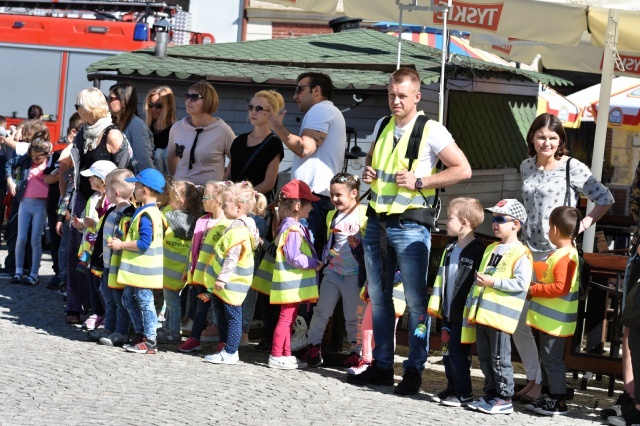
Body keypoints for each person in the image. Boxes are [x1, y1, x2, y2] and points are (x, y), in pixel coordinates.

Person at [350, 68, 472, 395]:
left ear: (417, 96)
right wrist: (368, 173)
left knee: (418, 303)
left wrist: (422, 181)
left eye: (402, 95)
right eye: (391, 94)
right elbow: (375, 168)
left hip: (411, 223)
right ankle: (382, 366)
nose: (395, 101)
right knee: (379, 297)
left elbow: (463, 169)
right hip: (377, 219)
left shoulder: (432, 130)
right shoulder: (382, 124)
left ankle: (415, 369)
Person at [518, 112, 614, 401]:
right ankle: (535, 378)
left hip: (555, 256)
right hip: (526, 251)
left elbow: (604, 198)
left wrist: (582, 225)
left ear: (560, 140)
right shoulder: (525, 166)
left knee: (546, 325)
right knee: (521, 321)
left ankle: (547, 387)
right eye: (540, 136)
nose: (546, 142)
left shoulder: (573, 167)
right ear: (532, 138)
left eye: (552, 137)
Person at [62, 88, 130, 325]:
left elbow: (123, 170)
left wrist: (115, 200)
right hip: (82, 197)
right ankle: (74, 304)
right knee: (74, 252)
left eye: (78, 105)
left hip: (106, 200)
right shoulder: (82, 132)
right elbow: (76, 171)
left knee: (98, 254)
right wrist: (69, 204)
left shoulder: (112, 134)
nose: (77, 111)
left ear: (90, 107)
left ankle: (99, 308)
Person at [225, 89, 285, 346]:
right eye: (252, 106)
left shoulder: (274, 143)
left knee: (245, 271)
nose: (254, 112)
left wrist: (243, 196)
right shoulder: (238, 141)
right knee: (222, 267)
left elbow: (269, 182)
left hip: (255, 213)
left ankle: (243, 328)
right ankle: (220, 323)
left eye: (261, 108)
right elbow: (228, 173)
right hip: (230, 209)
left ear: (271, 113)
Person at [464, 199, 533, 415]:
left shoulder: (521, 252)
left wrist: (493, 283)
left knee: (499, 358)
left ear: (516, 224)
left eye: (501, 219)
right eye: (494, 219)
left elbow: (522, 284)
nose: (495, 224)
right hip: (484, 314)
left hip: (501, 316)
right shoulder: (492, 248)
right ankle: (491, 393)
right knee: (485, 357)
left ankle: (504, 397)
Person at [267, 72, 346, 255]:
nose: (295, 96)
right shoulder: (329, 111)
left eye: (299, 90)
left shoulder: (321, 110)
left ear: (316, 90)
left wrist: (276, 125)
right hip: (316, 198)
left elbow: (304, 148)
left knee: (300, 257)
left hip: (311, 198)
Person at [299, 173, 367, 368]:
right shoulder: (332, 215)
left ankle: (356, 352)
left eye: (339, 195)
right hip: (333, 272)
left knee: (353, 316)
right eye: (332, 195)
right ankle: (313, 346)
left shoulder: (364, 214)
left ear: (354, 193)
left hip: (354, 275)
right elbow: (328, 241)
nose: (334, 199)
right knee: (322, 311)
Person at [252, 180, 322, 370]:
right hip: (291, 284)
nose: (312, 207)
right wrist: (314, 263)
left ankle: (285, 353)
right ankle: (276, 354)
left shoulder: (288, 225)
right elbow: (294, 256)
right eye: (310, 203)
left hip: (291, 284)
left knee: (288, 319)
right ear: (298, 206)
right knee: (285, 319)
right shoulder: (293, 228)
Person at [428, 197, 486, 407]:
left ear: (464, 222)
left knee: (459, 355)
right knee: (446, 352)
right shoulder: (450, 248)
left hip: (463, 313)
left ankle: (464, 392)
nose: (445, 222)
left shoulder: (478, 250)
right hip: (448, 311)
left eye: (449, 218)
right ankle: (452, 386)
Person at [198, 182, 264, 364]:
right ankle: (225, 346)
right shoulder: (245, 225)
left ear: (239, 207)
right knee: (224, 314)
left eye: (226, 205)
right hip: (230, 283)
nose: (223, 208)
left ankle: (230, 351)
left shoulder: (238, 229)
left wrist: (222, 278)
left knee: (233, 317)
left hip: (231, 282)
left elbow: (232, 256)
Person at [523, 206, 581, 416]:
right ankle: (548, 397)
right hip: (549, 320)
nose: (548, 231)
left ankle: (558, 401)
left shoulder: (565, 256)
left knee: (552, 360)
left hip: (555, 322)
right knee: (547, 359)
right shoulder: (562, 254)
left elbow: (560, 287)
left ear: (555, 229)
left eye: (549, 227)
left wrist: (533, 289)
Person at [108, 168, 165, 354]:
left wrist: (121, 245)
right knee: (128, 299)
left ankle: (150, 340)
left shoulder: (147, 214)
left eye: (137, 186)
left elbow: (144, 243)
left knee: (145, 302)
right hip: (138, 270)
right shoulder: (148, 211)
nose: (134, 188)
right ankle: (141, 333)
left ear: (145, 191)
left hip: (144, 270)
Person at [179, 181, 232, 353]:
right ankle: (195, 339)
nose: (202, 201)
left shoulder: (228, 223)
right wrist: (189, 271)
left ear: (217, 200)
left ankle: (224, 341)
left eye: (206, 197)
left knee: (219, 309)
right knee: (200, 308)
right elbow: (193, 250)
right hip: (201, 277)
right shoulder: (202, 221)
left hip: (215, 278)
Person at [91, 169, 136, 347]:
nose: (105, 192)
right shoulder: (111, 212)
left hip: (119, 266)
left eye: (107, 189)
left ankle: (121, 332)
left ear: (116, 193)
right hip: (108, 264)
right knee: (109, 299)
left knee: (120, 301)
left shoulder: (129, 214)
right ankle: (109, 327)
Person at [157, 180, 203, 344]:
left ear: (181, 202)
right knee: (171, 300)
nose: (169, 201)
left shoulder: (169, 214)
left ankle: (173, 331)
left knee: (172, 302)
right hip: (180, 269)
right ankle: (168, 327)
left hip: (170, 267)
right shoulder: (195, 220)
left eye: (171, 198)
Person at [75, 160, 117, 330]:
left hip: (101, 250)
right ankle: (97, 313)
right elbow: (88, 220)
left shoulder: (111, 201)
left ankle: (108, 314)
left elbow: (107, 223)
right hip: (89, 248)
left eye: (93, 177)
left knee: (101, 285)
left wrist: (92, 222)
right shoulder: (93, 198)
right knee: (92, 283)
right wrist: (80, 225)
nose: (89, 180)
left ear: (102, 180)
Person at [6, 136, 53, 285]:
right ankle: (18, 271)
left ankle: (34, 274)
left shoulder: (51, 162)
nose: (35, 159)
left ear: (46, 154)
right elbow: (9, 164)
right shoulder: (27, 159)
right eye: (33, 156)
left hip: (41, 204)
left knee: (35, 240)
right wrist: (10, 181)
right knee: (21, 238)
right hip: (24, 202)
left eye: (38, 157)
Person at [167, 81, 235, 185]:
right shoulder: (177, 128)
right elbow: (171, 155)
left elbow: (236, 158)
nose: (188, 101)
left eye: (194, 97)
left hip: (208, 195)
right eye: (187, 96)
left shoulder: (223, 130)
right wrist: (176, 179)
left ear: (208, 100)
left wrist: (223, 183)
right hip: (180, 193)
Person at [109, 82, 155, 173]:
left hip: (131, 181)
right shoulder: (112, 123)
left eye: (111, 99)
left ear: (123, 101)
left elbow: (143, 160)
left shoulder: (137, 125)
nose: (108, 102)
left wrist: (142, 184)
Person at [144, 85, 177, 175]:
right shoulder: (146, 128)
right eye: (151, 105)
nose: (154, 109)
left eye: (158, 105)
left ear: (169, 106)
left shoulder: (176, 129)